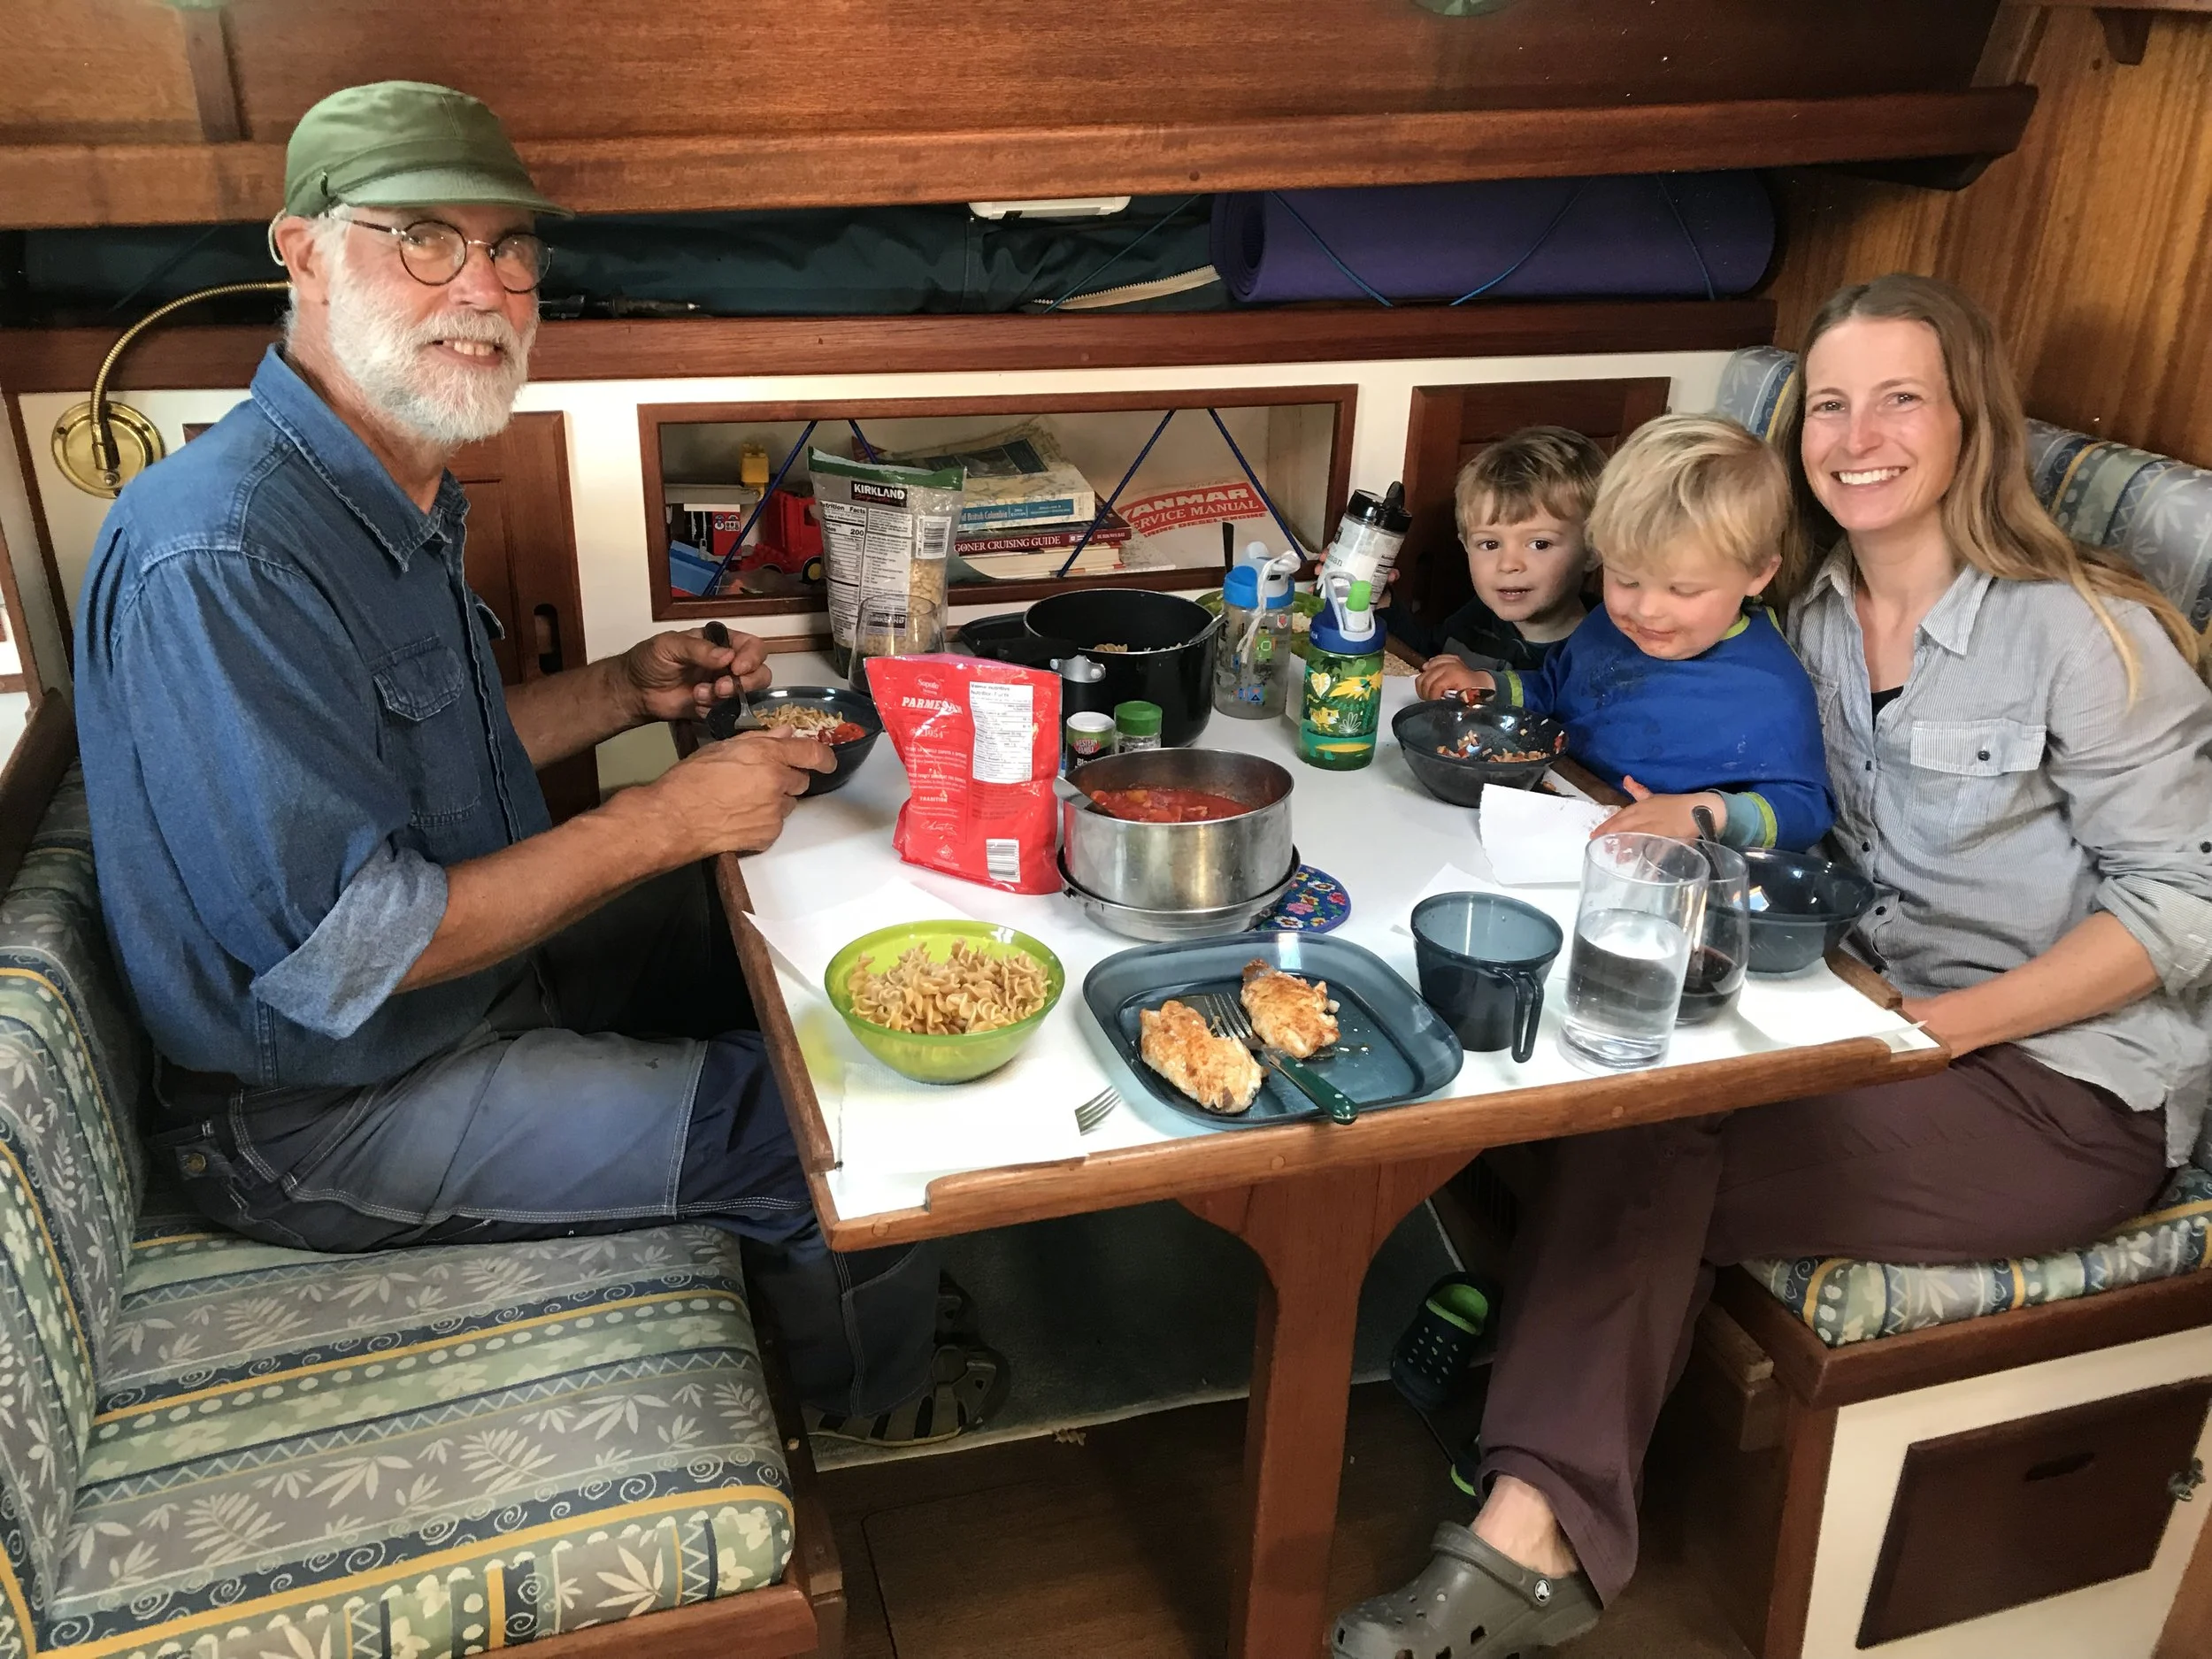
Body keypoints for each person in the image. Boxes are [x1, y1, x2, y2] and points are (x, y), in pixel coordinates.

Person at [73, 81, 1003, 1448]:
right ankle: (877, 1393)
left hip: (467, 998)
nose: (485, 286)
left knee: (798, 927)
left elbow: (411, 761)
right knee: (825, 1128)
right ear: (305, 252)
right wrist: (663, 815)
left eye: (510, 248)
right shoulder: (222, 554)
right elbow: (350, 947)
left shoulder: (383, 482)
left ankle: (840, 1260)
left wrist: (621, 690)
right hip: (318, 1111)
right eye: (425, 239)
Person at [1329, 273, 2212, 1659]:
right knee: (1615, 1091)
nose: (1858, 435)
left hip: (2061, 1088)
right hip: (1848, 1018)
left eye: (1900, 398)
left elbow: (2188, 900)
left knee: (1644, 1143)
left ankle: (1528, 1538)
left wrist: (1951, 1022)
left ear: (1971, 419)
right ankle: (1531, 1435)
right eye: (1831, 405)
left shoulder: (2082, 628)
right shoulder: (1806, 620)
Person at [1425, 414, 1833, 852]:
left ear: (1759, 574)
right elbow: (1556, 687)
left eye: (1682, 589)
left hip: (1666, 866)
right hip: (1559, 817)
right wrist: (1488, 686)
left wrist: (1704, 813)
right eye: (1626, 580)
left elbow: (1805, 809)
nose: (1646, 610)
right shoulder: (1606, 624)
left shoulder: (1770, 687)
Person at [1405, 425, 1604, 679]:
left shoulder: (1606, 649)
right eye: (1490, 544)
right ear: (1466, 546)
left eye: (1539, 544)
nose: (1508, 564)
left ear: (1593, 551)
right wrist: (1383, 607)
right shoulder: (1477, 617)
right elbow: (1425, 661)